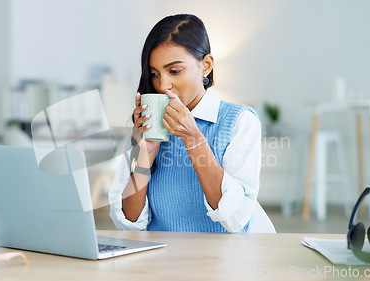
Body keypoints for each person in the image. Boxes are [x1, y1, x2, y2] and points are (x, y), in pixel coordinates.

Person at [109, 14, 261, 233]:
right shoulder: (149, 123)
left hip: (219, 262)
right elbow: (129, 222)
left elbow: (235, 219)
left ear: (206, 65)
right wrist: (144, 155)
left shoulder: (240, 121)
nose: (163, 85)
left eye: (174, 71)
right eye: (154, 74)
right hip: (158, 259)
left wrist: (193, 138)